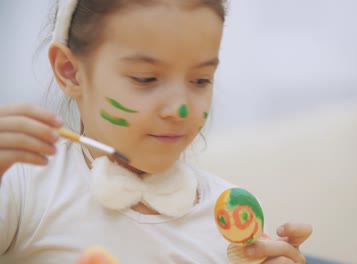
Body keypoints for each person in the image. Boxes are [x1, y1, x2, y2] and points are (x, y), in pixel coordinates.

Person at [0, 0, 312, 263]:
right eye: (146, 78)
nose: (179, 109)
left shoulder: (229, 217)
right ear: (70, 71)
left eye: (201, 80)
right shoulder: (22, 186)